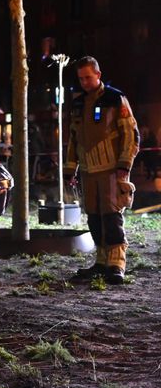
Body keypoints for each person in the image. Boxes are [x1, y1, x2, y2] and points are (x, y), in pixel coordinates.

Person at [64, 56, 139, 285]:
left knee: (111, 215)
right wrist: (70, 168)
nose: (85, 82)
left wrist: (124, 166)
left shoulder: (115, 99)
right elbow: (73, 139)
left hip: (111, 169)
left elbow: (130, 134)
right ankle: (102, 260)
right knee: (94, 217)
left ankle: (117, 263)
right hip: (88, 171)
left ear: (98, 74)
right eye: (81, 78)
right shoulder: (78, 103)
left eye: (88, 77)